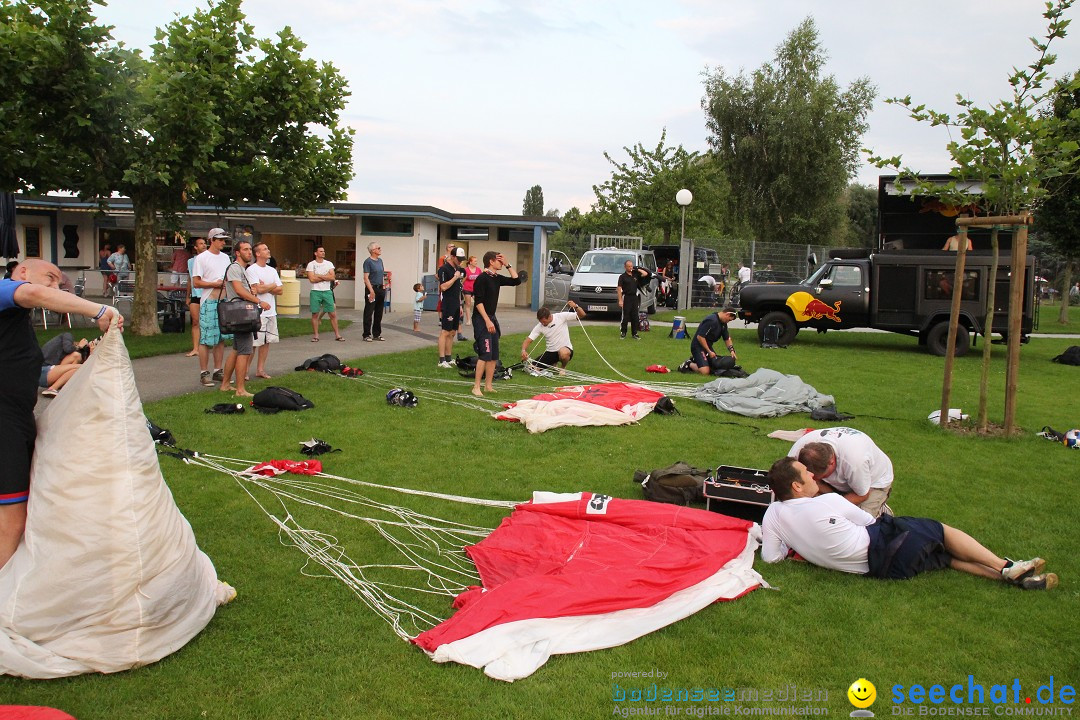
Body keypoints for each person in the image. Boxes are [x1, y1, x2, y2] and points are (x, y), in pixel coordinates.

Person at [761, 457, 1057, 590]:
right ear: (797, 487)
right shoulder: (828, 501)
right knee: (942, 531)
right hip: (886, 546)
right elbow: (871, 521)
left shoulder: (773, 514)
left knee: (946, 560)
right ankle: (1005, 566)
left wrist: (803, 548)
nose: (813, 476)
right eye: (806, 474)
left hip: (884, 571)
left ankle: (1019, 580)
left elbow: (771, 558)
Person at [0, 259, 123, 570]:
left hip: (18, 418)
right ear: (23, 273)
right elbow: (34, 295)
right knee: (12, 521)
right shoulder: (6, 290)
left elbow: (34, 371)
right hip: (5, 424)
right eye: (50, 279)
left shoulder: (14, 321)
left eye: (59, 285)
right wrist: (98, 310)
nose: (54, 288)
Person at [787, 427, 894, 518]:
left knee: (860, 524)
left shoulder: (855, 462)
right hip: (846, 477)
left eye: (821, 476)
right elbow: (788, 481)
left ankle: (880, 511)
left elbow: (862, 495)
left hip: (872, 484)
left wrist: (829, 509)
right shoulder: (797, 451)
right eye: (811, 476)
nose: (814, 479)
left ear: (832, 462)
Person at [218, 240, 270, 397]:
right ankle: (240, 389)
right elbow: (239, 290)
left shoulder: (242, 269)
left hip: (240, 314)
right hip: (241, 315)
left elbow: (243, 289)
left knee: (236, 350)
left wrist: (253, 290)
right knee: (244, 351)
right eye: (245, 249)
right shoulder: (235, 268)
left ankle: (225, 384)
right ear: (237, 253)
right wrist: (259, 301)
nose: (249, 252)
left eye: (250, 249)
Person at [471, 251, 522, 396]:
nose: (501, 263)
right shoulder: (482, 278)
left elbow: (516, 281)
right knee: (485, 354)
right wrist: (487, 320)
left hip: (492, 318)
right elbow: (478, 302)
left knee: (494, 355)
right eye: (499, 261)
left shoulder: (496, 278)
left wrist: (508, 265)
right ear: (491, 262)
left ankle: (488, 385)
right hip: (482, 319)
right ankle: (476, 387)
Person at [191, 228, 232, 386]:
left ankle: (218, 370)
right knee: (206, 338)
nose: (223, 242)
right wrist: (213, 284)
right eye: (220, 239)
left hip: (223, 300)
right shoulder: (201, 258)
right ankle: (204, 372)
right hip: (209, 300)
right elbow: (197, 282)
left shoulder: (225, 258)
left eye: (224, 240)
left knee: (221, 338)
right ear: (212, 240)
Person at [246, 241, 283, 380]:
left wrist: (267, 286)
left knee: (266, 341)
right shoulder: (252, 270)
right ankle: (245, 371)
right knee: (255, 342)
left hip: (271, 311)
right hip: (258, 311)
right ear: (258, 253)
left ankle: (260, 369)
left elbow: (280, 290)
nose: (268, 251)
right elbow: (256, 289)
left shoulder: (272, 270)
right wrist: (272, 285)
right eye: (265, 249)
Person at [521, 301, 586, 375]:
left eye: (544, 322)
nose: (543, 324)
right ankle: (553, 362)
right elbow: (529, 339)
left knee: (563, 353)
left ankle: (562, 368)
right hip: (551, 352)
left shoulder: (561, 316)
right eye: (541, 322)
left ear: (549, 316)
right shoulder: (539, 326)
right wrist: (523, 350)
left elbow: (582, 315)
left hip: (566, 349)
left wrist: (576, 306)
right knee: (532, 368)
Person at [437, 247, 466, 367]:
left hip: (455, 303)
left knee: (453, 332)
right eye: (459, 259)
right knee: (445, 331)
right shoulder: (444, 269)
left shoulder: (458, 269)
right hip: (448, 303)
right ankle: (441, 360)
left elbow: (458, 289)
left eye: (462, 259)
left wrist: (459, 305)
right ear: (452, 257)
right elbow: (443, 287)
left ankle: (449, 358)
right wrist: (455, 277)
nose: (460, 262)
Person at [306, 245, 343, 342]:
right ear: (316, 253)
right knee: (315, 314)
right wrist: (325, 276)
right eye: (321, 251)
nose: (323, 253)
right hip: (315, 291)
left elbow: (332, 277)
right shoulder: (311, 264)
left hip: (327, 291)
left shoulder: (329, 264)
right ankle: (316, 335)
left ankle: (337, 334)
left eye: (324, 251)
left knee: (332, 313)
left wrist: (318, 275)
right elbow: (312, 279)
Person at [687, 307, 738, 375]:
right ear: (727, 314)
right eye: (729, 320)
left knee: (716, 366)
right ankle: (688, 364)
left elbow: (727, 338)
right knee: (705, 372)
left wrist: (732, 351)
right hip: (698, 346)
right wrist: (709, 351)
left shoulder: (723, 323)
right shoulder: (711, 320)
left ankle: (697, 360)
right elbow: (700, 337)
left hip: (708, 346)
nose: (728, 322)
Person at [617, 260, 650, 339]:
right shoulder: (622, 277)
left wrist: (637, 269)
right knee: (626, 316)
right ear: (625, 267)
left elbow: (645, 274)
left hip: (634, 297)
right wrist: (620, 300)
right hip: (627, 297)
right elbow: (619, 289)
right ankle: (623, 332)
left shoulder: (635, 274)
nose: (630, 268)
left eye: (631, 266)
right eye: (628, 266)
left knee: (635, 316)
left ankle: (634, 333)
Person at [185, 236, 207, 357]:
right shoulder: (191, 262)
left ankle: (207, 344)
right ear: (195, 247)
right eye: (201, 243)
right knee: (195, 321)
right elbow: (190, 279)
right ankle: (195, 348)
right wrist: (187, 296)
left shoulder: (209, 259)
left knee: (207, 321)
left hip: (207, 293)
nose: (204, 245)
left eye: (205, 243)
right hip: (195, 294)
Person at [362, 241, 385, 342]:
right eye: (378, 248)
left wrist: (383, 286)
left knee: (379, 312)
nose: (380, 249)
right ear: (373, 250)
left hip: (380, 288)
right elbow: (366, 278)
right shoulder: (368, 262)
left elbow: (381, 274)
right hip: (371, 288)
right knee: (369, 311)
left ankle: (377, 333)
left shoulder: (380, 261)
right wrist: (371, 291)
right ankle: (366, 334)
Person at [462, 255, 481, 330]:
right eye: (475, 261)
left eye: (476, 261)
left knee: (479, 303)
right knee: (468, 304)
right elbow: (462, 280)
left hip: (475, 289)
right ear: (470, 262)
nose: (476, 262)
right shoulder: (466, 270)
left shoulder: (478, 270)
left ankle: (478, 318)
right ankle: (468, 320)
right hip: (467, 288)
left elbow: (480, 279)